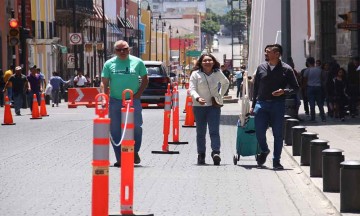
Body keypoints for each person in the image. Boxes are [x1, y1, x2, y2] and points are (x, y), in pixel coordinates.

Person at [250, 44, 299, 170]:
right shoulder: (261, 67)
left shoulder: (286, 69)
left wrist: (284, 91)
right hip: (261, 104)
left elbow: (296, 88)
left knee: (278, 135)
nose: (265, 54)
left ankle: (276, 160)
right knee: (259, 131)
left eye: (268, 52)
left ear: (277, 54)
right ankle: (265, 150)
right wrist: (253, 105)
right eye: (265, 52)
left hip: (278, 105)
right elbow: (255, 88)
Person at [101, 40, 149, 167]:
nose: (122, 51)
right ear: (114, 51)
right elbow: (104, 82)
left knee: (137, 127)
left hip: (133, 100)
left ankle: (134, 151)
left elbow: (145, 78)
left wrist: (138, 94)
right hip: (115, 100)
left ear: (129, 49)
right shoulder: (109, 64)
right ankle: (120, 158)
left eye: (125, 49)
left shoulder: (137, 62)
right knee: (115, 130)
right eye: (118, 49)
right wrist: (104, 97)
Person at [189, 53, 229, 165]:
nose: (207, 62)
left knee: (214, 131)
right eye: (205, 61)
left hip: (214, 106)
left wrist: (220, 95)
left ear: (213, 62)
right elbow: (191, 89)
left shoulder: (217, 73)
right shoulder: (195, 74)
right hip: (199, 106)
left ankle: (216, 152)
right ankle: (201, 154)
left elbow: (226, 83)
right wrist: (198, 98)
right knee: (200, 132)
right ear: (201, 63)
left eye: (209, 60)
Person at [303, 57, 326, 122]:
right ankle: (323, 117)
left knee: (312, 104)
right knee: (320, 103)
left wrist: (304, 89)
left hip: (310, 87)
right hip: (318, 87)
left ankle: (313, 118)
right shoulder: (319, 70)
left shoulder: (307, 70)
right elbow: (322, 79)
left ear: (308, 62)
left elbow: (305, 80)